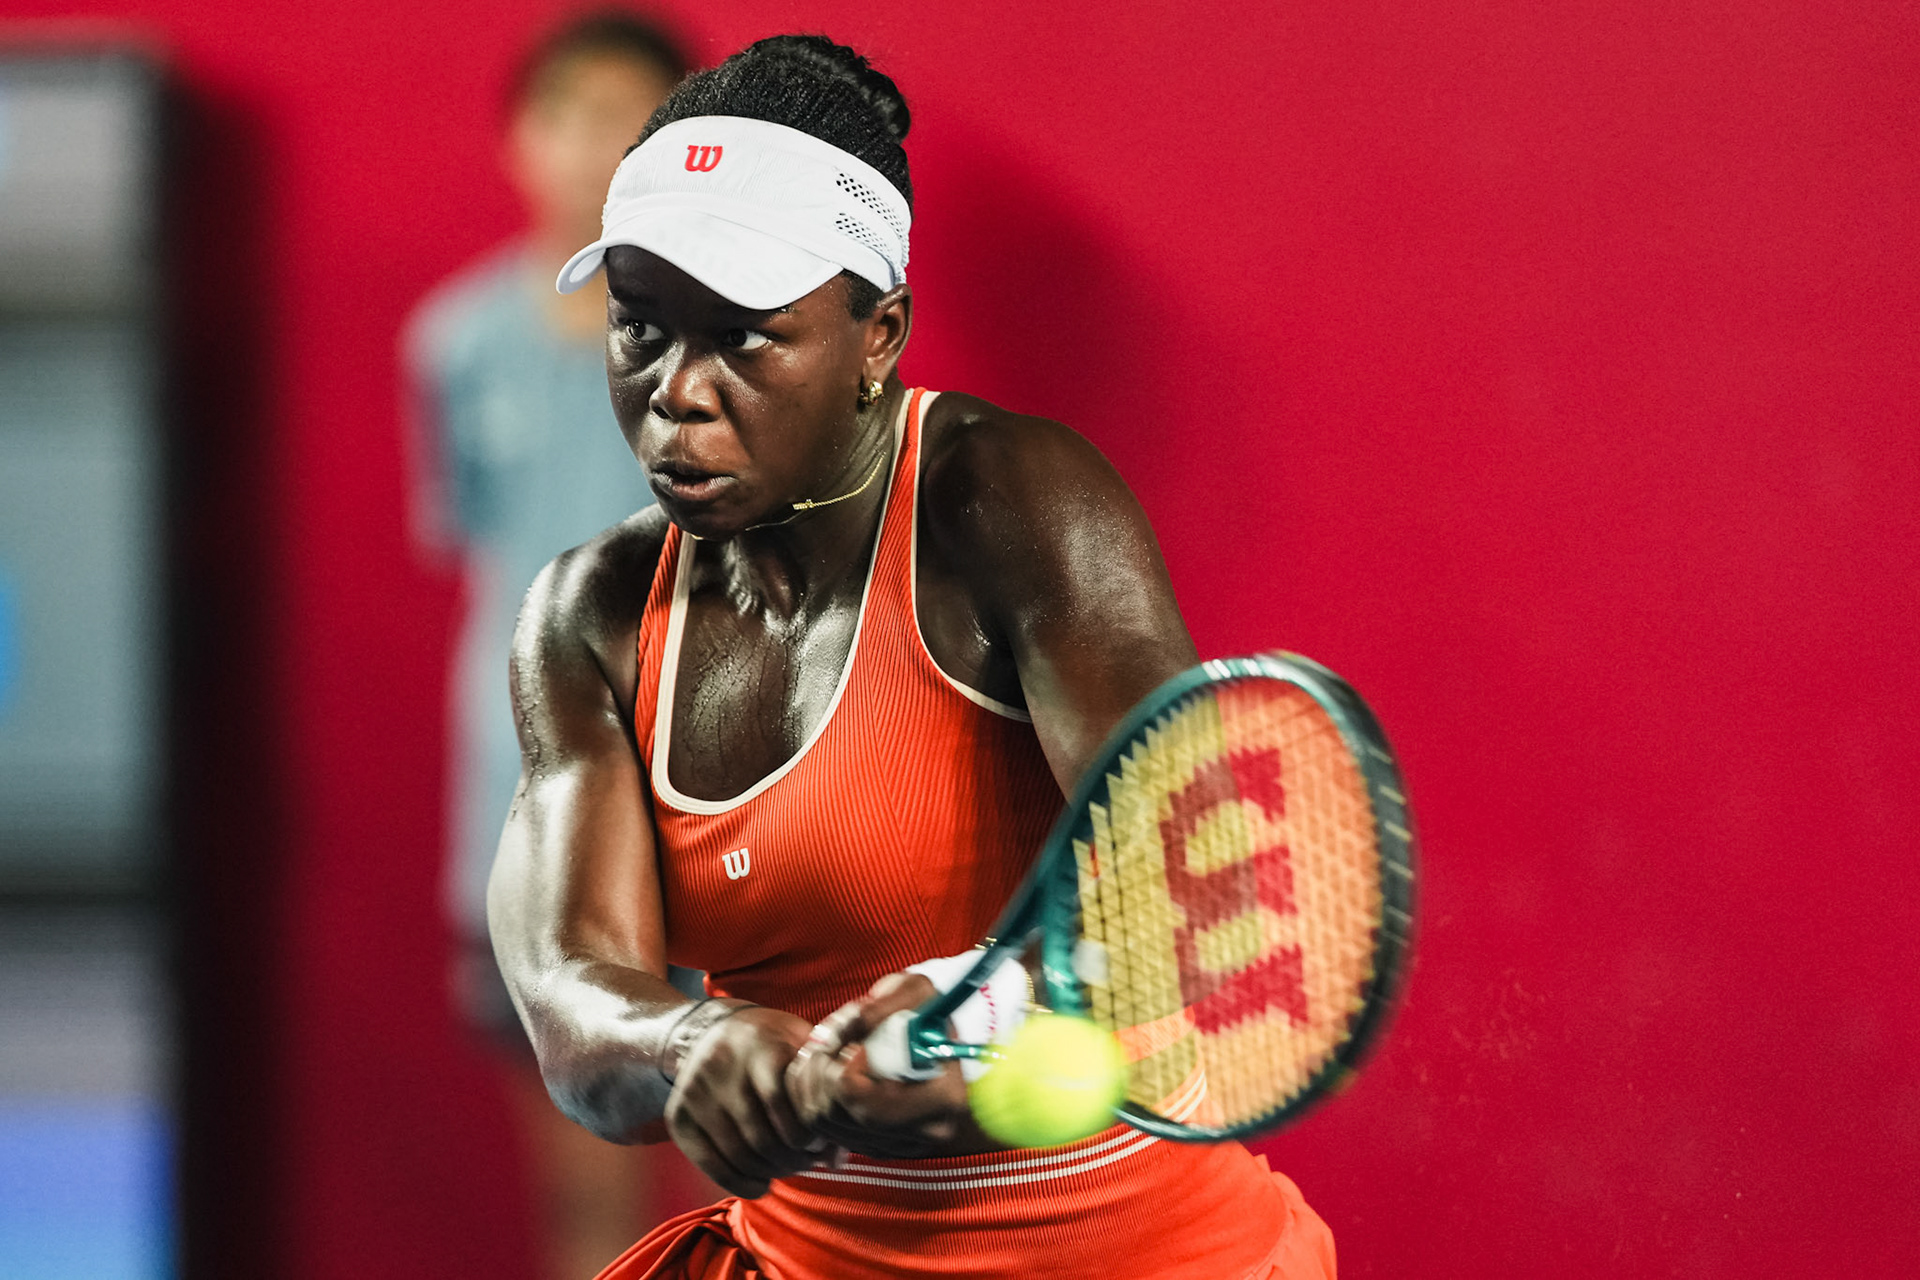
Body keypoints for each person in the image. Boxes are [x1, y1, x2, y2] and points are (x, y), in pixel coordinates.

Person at [488, 34, 1339, 1280]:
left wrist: (983, 1007)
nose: (677, 390)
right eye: (641, 326)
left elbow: (1195, 891)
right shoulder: (589, 617)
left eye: (744, 337)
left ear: (878, 334)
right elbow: (573, 1002)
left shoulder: (1014, 501)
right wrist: (685, 1043)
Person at [401, 13, 712, 1278]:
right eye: (568, 114)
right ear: (517, 139)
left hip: (717, 795)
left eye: (628, 117)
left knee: (753, 1175)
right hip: (526, 811)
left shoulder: (733, 336)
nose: (593, 146)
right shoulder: (456, 341)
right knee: (591, 1193)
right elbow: (472, 539)